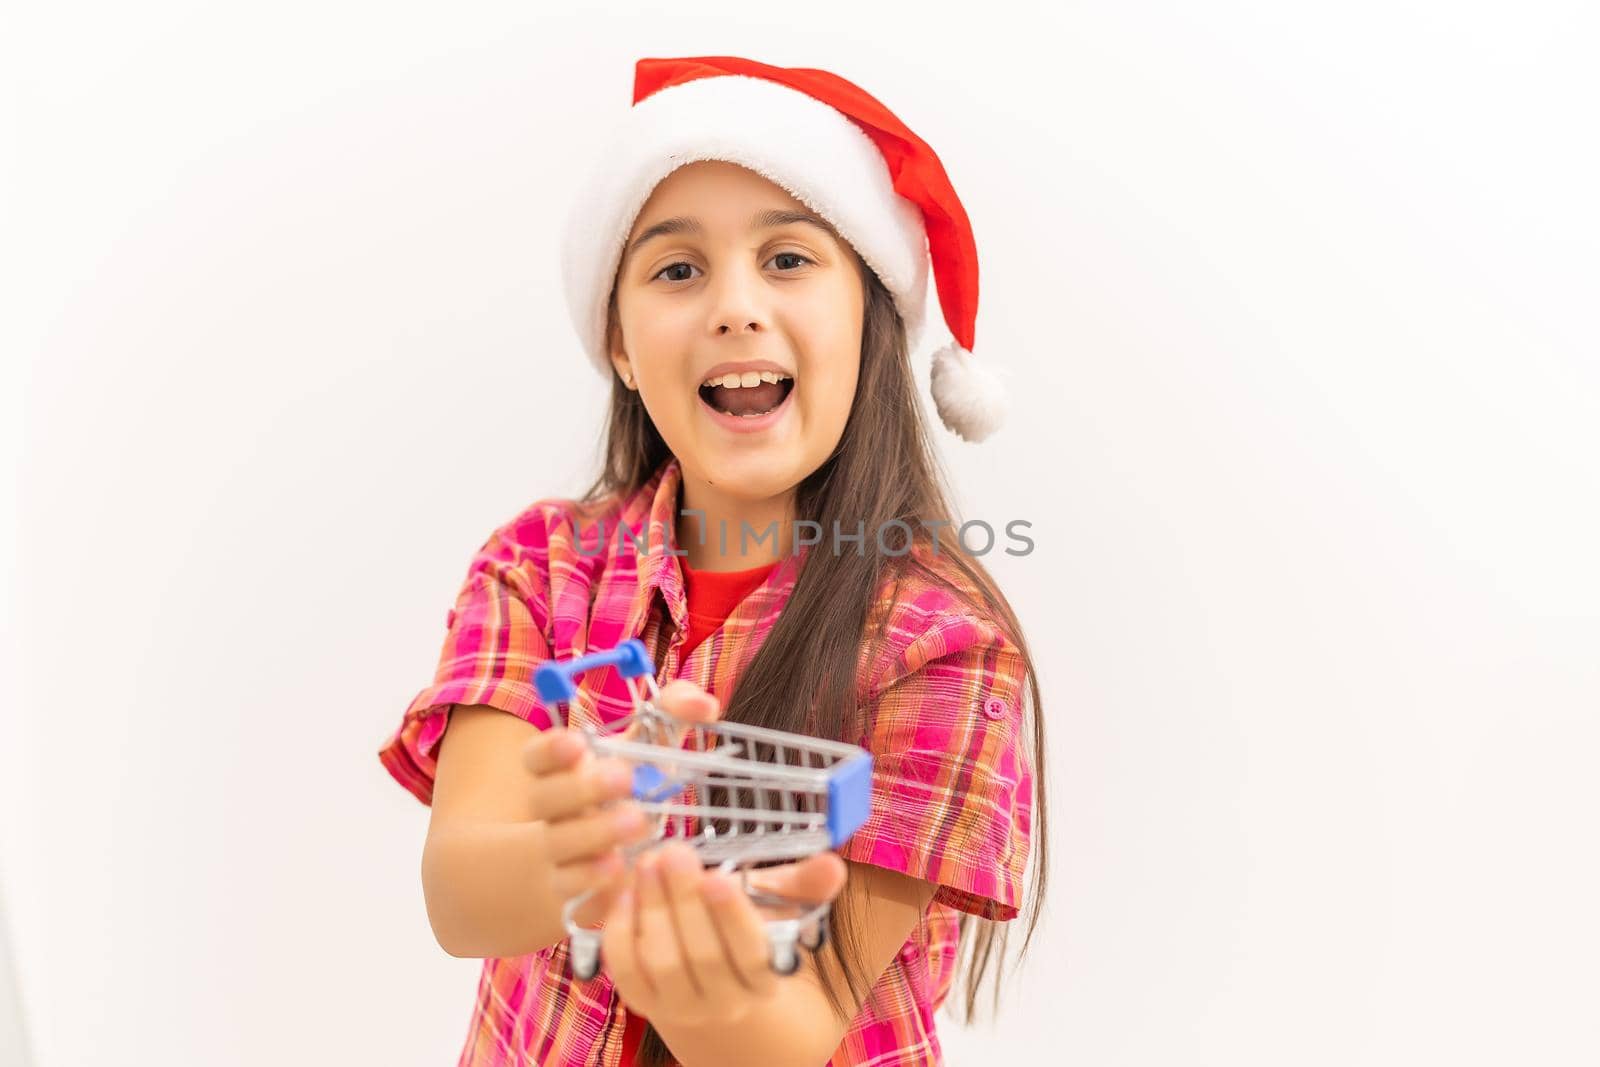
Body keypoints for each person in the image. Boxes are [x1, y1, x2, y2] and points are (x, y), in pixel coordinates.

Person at [378, 54, 1049, 1067]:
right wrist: (589, 846)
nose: (734, 306)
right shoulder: (537, 566)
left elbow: (781, 1038)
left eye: (787, 258)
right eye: (676, 269)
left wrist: (674, 932)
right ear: (618, 340)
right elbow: (460, 895)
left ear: (869, 318)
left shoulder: (943, 646)